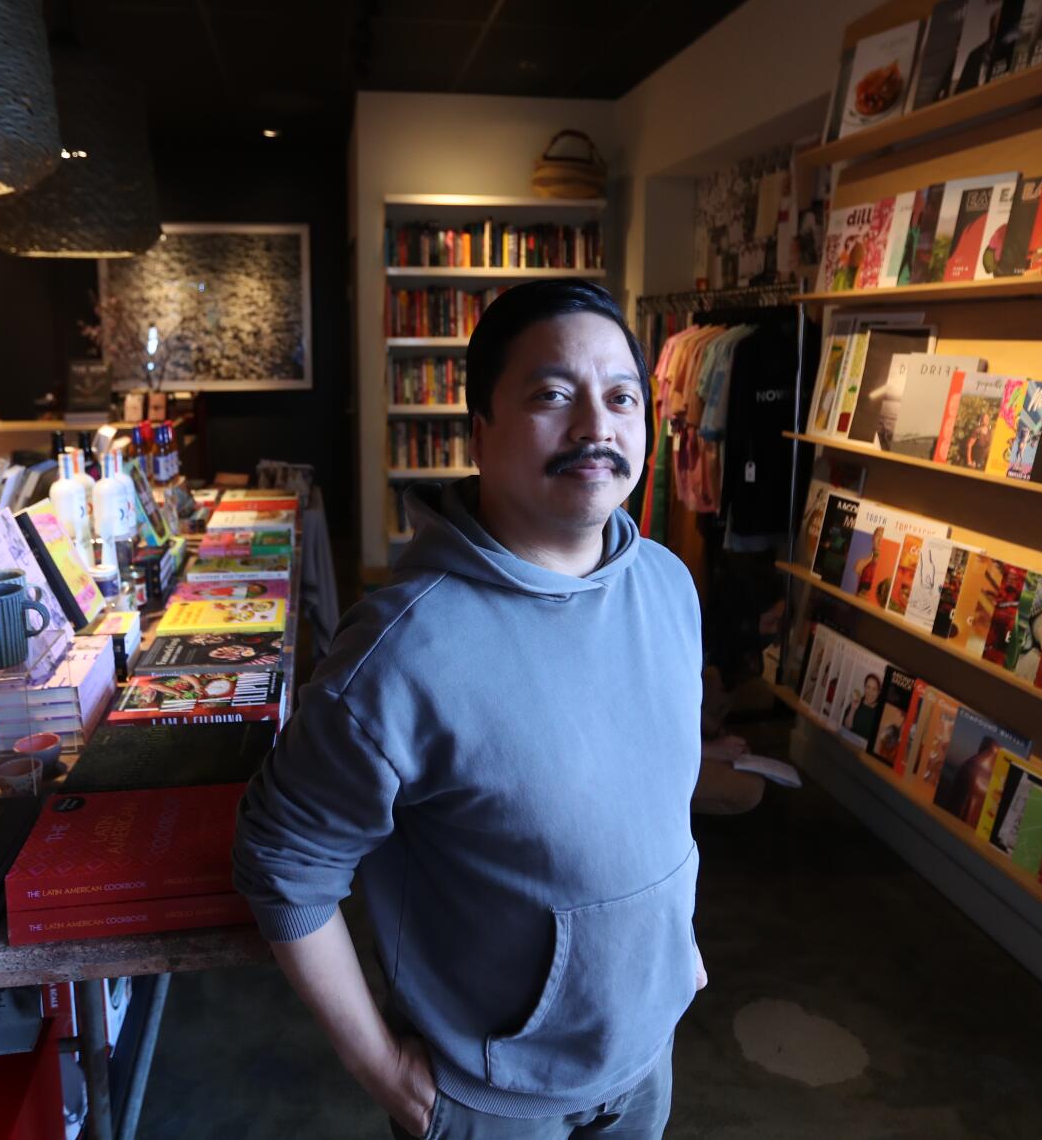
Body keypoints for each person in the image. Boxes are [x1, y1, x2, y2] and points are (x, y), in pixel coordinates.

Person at [232, 281, 704, 1138]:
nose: (597, 426)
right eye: (553, 395)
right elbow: (279, 858)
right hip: (491, 1101)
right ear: (478, 430)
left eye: (622, 397)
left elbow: (655, 805)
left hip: (647, 1057)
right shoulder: (400, 650)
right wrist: (382, 1068)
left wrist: (674, 955)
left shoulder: (669, 585)